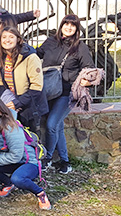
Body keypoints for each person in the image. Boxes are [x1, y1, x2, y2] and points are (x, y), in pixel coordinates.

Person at [36, 14, 94, 174]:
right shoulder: (50, 42)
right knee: (58, 126)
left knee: (51, 124)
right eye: (66, 24)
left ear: (76, 29)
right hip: (49, 91)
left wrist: (85, 81)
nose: (68, 27)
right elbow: (35, 55)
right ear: (61, 25)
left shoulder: (80, 47)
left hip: (67, 92)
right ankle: (65, 161)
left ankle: (47, 158)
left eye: (72, 25)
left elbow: (90, 68)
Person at [0, 26, 48, 136]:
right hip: (15, 106)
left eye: (11, 37)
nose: (7, 40)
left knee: (33, 141)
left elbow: (36, 86)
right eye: (4, 37)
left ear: (18, 39)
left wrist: (17, 103)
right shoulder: (2, 58)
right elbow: (2, 83)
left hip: (32, 107)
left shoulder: (30, 57)